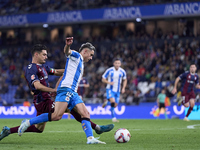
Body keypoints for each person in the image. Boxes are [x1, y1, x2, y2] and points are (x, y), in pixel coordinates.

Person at [0, 42, 114, 142]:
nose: (46, 56)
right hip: (42, 101)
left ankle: (8, 131)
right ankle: (97, 128)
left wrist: (71, 70)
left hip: (47, 99)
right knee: (71, 108)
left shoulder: (44, 67)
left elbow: (56, 71)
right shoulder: (31, 68)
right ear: (36, 54)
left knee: (39, 129)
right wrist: (53, 90)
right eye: (44, 54)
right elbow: (37, 85)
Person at [101, 58, 127, 122]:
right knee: (112, 102)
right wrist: (109, 83)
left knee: (115, 105)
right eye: (116, 63)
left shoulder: (122, 71)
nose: (117, 64)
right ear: (114, 64)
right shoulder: (109, 70)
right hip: (110, 89)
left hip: (118, 90)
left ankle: (107, 103)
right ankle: (114, 118)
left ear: (120, 64)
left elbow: (125, 79)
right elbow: (103, 79)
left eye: (118, 63)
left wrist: (123, 88)